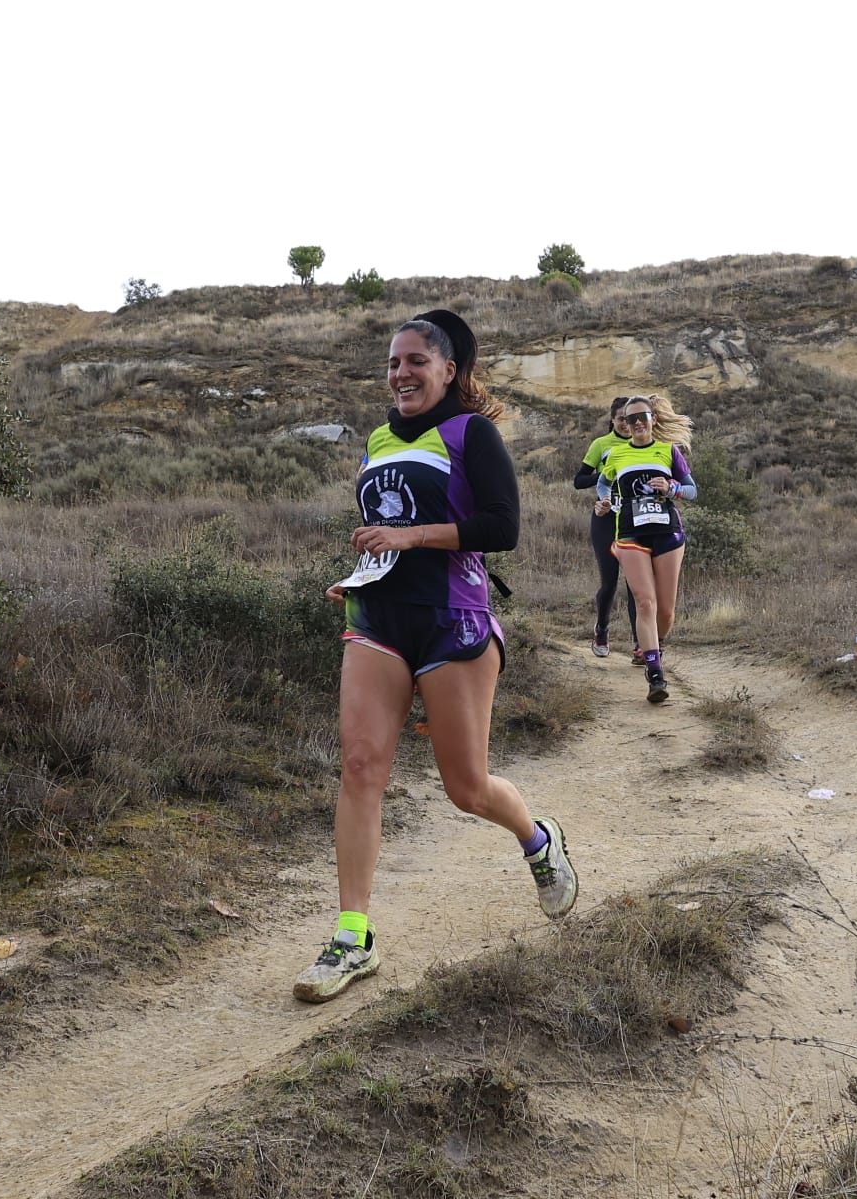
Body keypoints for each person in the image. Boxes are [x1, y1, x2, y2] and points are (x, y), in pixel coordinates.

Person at [294, 310, 579, 1004]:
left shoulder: (470, 434)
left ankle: (538, 839)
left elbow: (501, 527)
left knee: (466, 788)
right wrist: (359, 573)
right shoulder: (379, 438)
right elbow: (380, 530)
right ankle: (353, 937)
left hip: (455, 620)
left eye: (415, 361)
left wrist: (412, 539)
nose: (400, 373)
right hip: (379, 620)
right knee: (361, 767)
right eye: (393, 362)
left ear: (449, 370)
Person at [596, 395, 696, 702]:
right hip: (629, 535)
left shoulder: (669, 451)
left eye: (643, 417)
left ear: (653, 419)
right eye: (631, 419)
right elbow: (602, 483)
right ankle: (655, 675)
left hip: (667, 532)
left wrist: (673, 488)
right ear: (624, 423)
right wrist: (606, 503)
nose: (637, 423)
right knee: (645, 603)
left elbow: (692, 490)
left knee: (665, 611)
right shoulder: (616, 454)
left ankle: (653, 643)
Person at [571, 397, 639, 657]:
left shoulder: (640, 444)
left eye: (629, 418)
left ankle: (639, 644)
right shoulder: (601, 445)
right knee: (609, 582)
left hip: (634, 520)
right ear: (612, 420)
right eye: (621, 418)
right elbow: (578, 480)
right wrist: (605, 475)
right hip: (605, 519)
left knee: (635, 584)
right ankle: (601, 629)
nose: (625, 423)